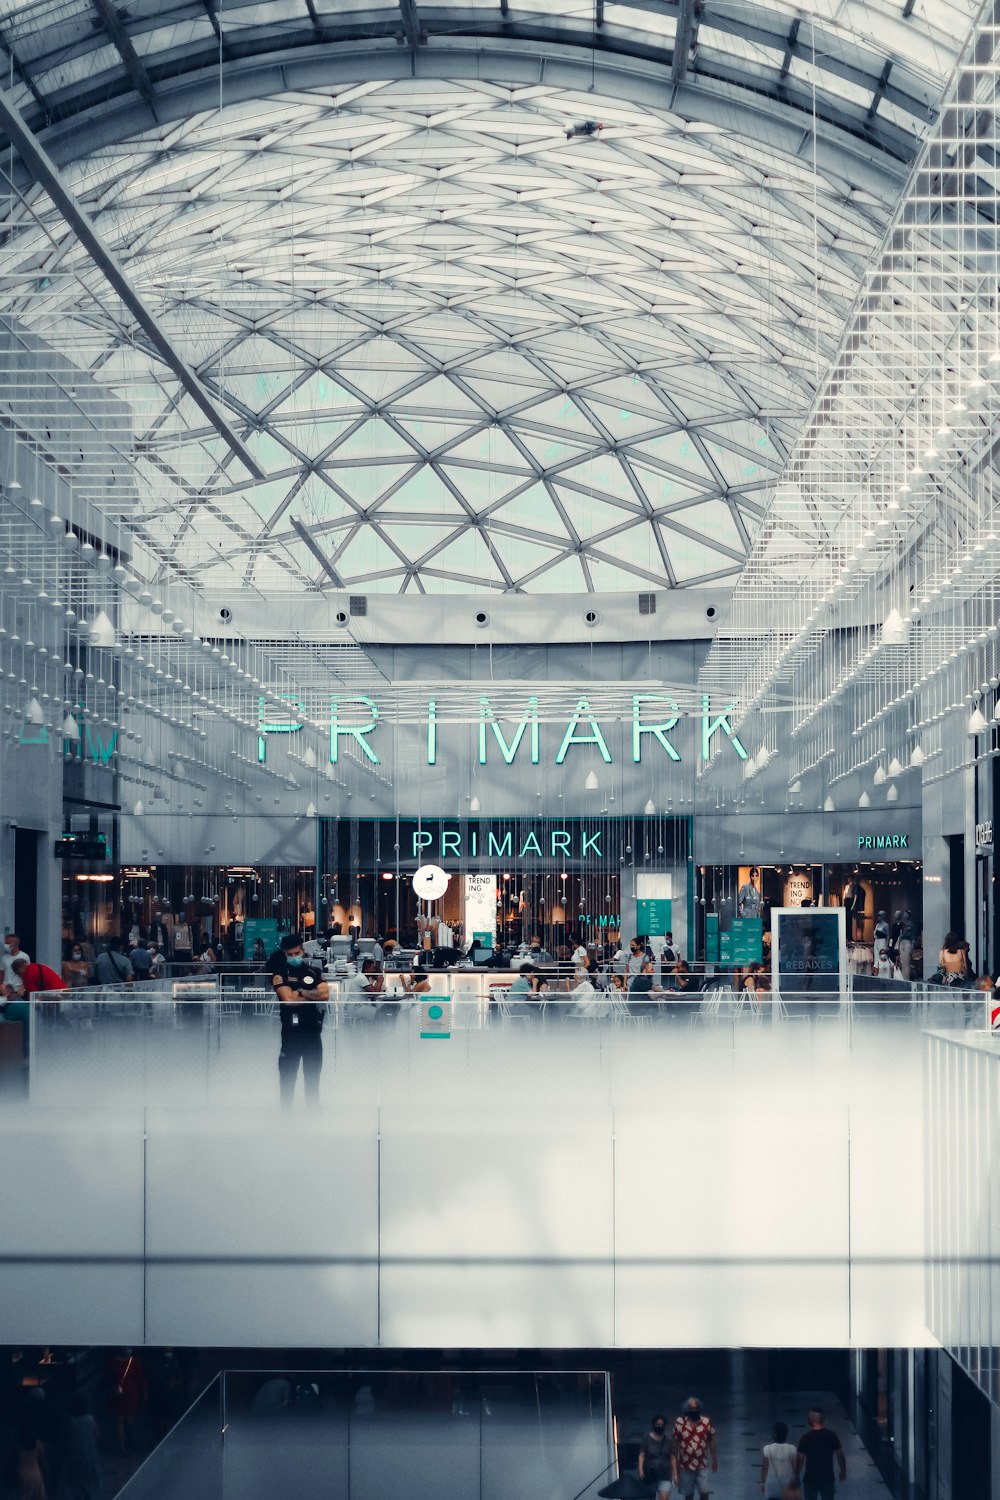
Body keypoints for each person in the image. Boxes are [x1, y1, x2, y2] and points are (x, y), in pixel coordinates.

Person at [269, 934, 329, 1106]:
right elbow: (287, 998)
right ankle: (286, 1120)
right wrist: (311, 995)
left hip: (313, 1034)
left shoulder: (314, 972)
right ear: (284, 954)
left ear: (303, 951)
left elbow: (324, 994)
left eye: (297, 953)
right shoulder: (280, 974)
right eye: (290, 954)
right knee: (287, 1081)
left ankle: (313, 1119)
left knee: (313, 1081)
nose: (294, 957)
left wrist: (300, 993)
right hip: (291, 1034)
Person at [793, 1409, 845, 1500]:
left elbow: (800, 1459)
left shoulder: (806, 1438)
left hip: (810, 1479)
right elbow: (840, 1455)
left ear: (812, 1419)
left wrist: (797, 1474)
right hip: (828, 1478)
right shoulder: (831, 1435)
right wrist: (843, 1471)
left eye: (809, 1417)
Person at [672, 1396, 717, 1498]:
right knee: (688, 1495)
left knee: (705, 1492)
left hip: (702, 1463)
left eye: (696, 1408)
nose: (694, 1410)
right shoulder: (680, 1422)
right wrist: (676, 1462)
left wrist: (714, 1459)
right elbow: (675, 1442)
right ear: (687, 1409)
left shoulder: (706, 1422)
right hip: (686, 1465)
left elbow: (711, 1440)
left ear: (699, 1409)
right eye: (692, 1408)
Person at [59, 1394, 102, 1500]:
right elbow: (98, 1435)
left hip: (73, 1454)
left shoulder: (69, 1419)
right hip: (89, 1454)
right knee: (88, 1479)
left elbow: (64, 1435)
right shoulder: (89, 1419)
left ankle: (79, 1496)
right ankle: (86, 1495)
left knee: (74, 1480)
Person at [105, 1348, 147, 1454]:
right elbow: (140, 1378)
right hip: (130, 1395)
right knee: (129, 1421)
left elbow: (107, 1379)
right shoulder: (134, 1361)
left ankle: (121, 1447)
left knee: (119, 1422)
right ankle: (128, 1445)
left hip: (117, 1394)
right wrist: (144, 1391)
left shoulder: (113, 1362)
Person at [3, 1424, 47, 1500]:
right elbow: (43, 1461)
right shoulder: (38, 1444)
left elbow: (12, 1461)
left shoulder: (17, 1445)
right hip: (36, 1475)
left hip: (22, 1476)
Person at [638, 1414, 674, 1499]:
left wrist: (675, 1473)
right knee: (650, 1497)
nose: (660, 1426)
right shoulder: (646, 1438)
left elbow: (672, 1457)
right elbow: (642, 1455)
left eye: (662, 1425)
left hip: (665, 1474)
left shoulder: (668, 1440)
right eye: (658, 1424)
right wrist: (640, 1470)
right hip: (650, 1473)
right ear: (654, 1424)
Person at [760, 1420, 797, 1499]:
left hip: (771, 1484)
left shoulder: (767, 1449)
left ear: (774, 1434)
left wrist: (762, 1482)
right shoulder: (792, 1449)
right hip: (787, 1484)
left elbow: (765, 1468)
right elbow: (795, 1468)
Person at [893, 906, 915, 979]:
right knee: (902, 961)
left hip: (907, 942)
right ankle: (903, 977)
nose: (904, 915)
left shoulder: (911, 924)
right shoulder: (903, 924)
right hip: (902, 941)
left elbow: (912, 936)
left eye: (906, 914)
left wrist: (912, 945)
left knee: (906, 962)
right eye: (904, 914)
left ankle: (906, 978)